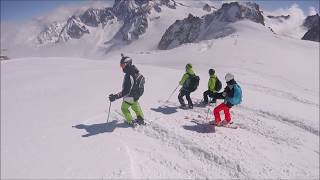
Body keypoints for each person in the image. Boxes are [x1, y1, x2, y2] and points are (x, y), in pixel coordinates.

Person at [109, 54, 145, 126]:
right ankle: (141, 119)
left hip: (130, 95)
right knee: (135, 104)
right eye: (121, 65)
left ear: (127, 64)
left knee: (124, 108)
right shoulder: (135, 71)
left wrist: (115, 96)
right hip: (137, 94)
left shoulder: (129, 75)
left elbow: (126, 91)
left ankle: (131, 121)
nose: (121, 67)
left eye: (122, 65)